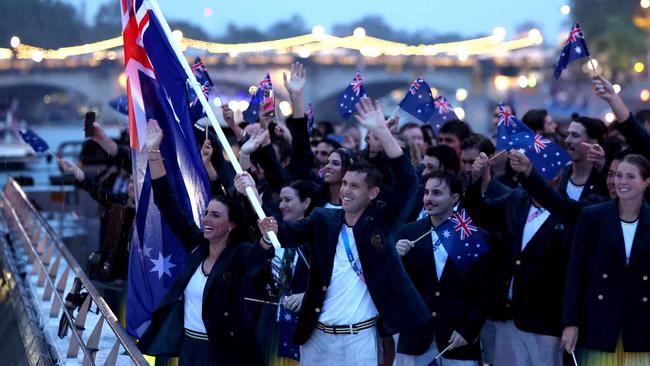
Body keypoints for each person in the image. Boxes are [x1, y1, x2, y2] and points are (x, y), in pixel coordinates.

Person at [258, 97, 430, 366]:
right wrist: (271, 227)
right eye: (345, 183)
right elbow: (288, 234)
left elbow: (408, 181)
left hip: (357, 340)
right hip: (316, 336)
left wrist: (383, 133)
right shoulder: (324, 218)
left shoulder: (382, 221)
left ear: (373, 193)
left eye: (355, 186)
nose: (346, 190)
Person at [136, 119, 274, 366]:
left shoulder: (239, 253)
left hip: (225, 352)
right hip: (190, 347)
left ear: (232, 225)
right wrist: (154, 150)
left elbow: (259, 255)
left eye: (215, 215)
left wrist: (264, 235)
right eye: (207, 212)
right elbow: (167, 204)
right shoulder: (198, 244)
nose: (206, 219)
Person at [463, 152, 571, 366]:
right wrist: (475, 180)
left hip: (546, 322)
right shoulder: (516, 198)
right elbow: (480, 214)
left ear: (557, 174)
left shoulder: (569, 211)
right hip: (509, 316)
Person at [562, 154, 650, 365]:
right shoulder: (592, 216)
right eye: (618, 175)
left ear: (647, 181)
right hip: (599, 324)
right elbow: (575, 273)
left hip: (642, 326)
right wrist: (570, 322)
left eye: (630, 176)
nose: (621, 182)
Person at [395, 170, 487, 366]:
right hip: (416, 338)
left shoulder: (466, 233)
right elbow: (394, 288)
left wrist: (468, 329)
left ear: (454, 198)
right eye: (426, 192)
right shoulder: (408, 232)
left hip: (457, 340)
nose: (428, 198)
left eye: (436, 193)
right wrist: (395, 259)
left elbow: (482, 291)